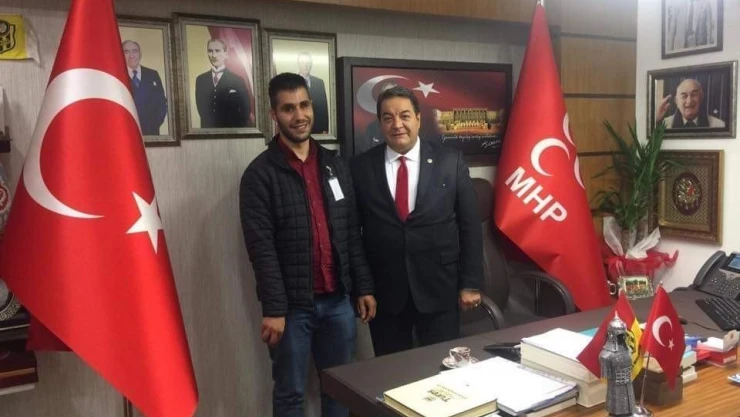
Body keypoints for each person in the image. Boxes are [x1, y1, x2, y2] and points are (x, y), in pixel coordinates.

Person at [239, 73, 376, 417]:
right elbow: (261, 250)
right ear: (274, 115)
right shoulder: (259, 175)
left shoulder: (335, 164)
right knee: (290, 395)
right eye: (288, 108)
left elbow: (351, 232)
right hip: (291, 309)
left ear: (312, 106)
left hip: (339, 301)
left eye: (304, 105)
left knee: (340, 390)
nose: (299, 115)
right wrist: (274, 309)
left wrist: (363, 287)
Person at [350, 86, 482, 357]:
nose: (397, 124)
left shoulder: (450, 161)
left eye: (404, 116)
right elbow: (353, 233)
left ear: (418, 119)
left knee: (442, 368)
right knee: (391, 371)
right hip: (385, 294)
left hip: (440, 289)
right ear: (380, 123)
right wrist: (363, 287)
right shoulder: (361, 167)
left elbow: (470, 226)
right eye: (388, 118)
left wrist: (470, 283)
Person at [195, 39, 251, 128]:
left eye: (217, 51)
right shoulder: (201, 80)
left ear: (225, 54)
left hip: (232, 131)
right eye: (210, 51)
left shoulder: (237, 80)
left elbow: (246, 110)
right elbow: (201, 109)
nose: (213, 55)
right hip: (208, 131)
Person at [122, 40, 167, 136]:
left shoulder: (152, 74)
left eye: (135, 51)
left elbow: (162, 103)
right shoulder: (118, 76)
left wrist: (154, 124)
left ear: (140, 54)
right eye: (126, 52)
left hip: (151, 132)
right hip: (127, 133)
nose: (131, 56)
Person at [657, 78, 725, 129]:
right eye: (684, 96)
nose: (689, 101)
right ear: (676, 101)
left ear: (701, 97)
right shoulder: (664, 125)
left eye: (693, 95)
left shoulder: (718, 125)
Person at [297, 52, 329, 134]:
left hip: (317, 126)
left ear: (311, 64)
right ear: (299, 64)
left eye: (308, 63)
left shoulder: (319, 82)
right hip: (300, 125)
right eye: (303, 63)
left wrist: (325, 128)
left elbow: (323, 106)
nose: (306, 66)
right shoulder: (292, 82)